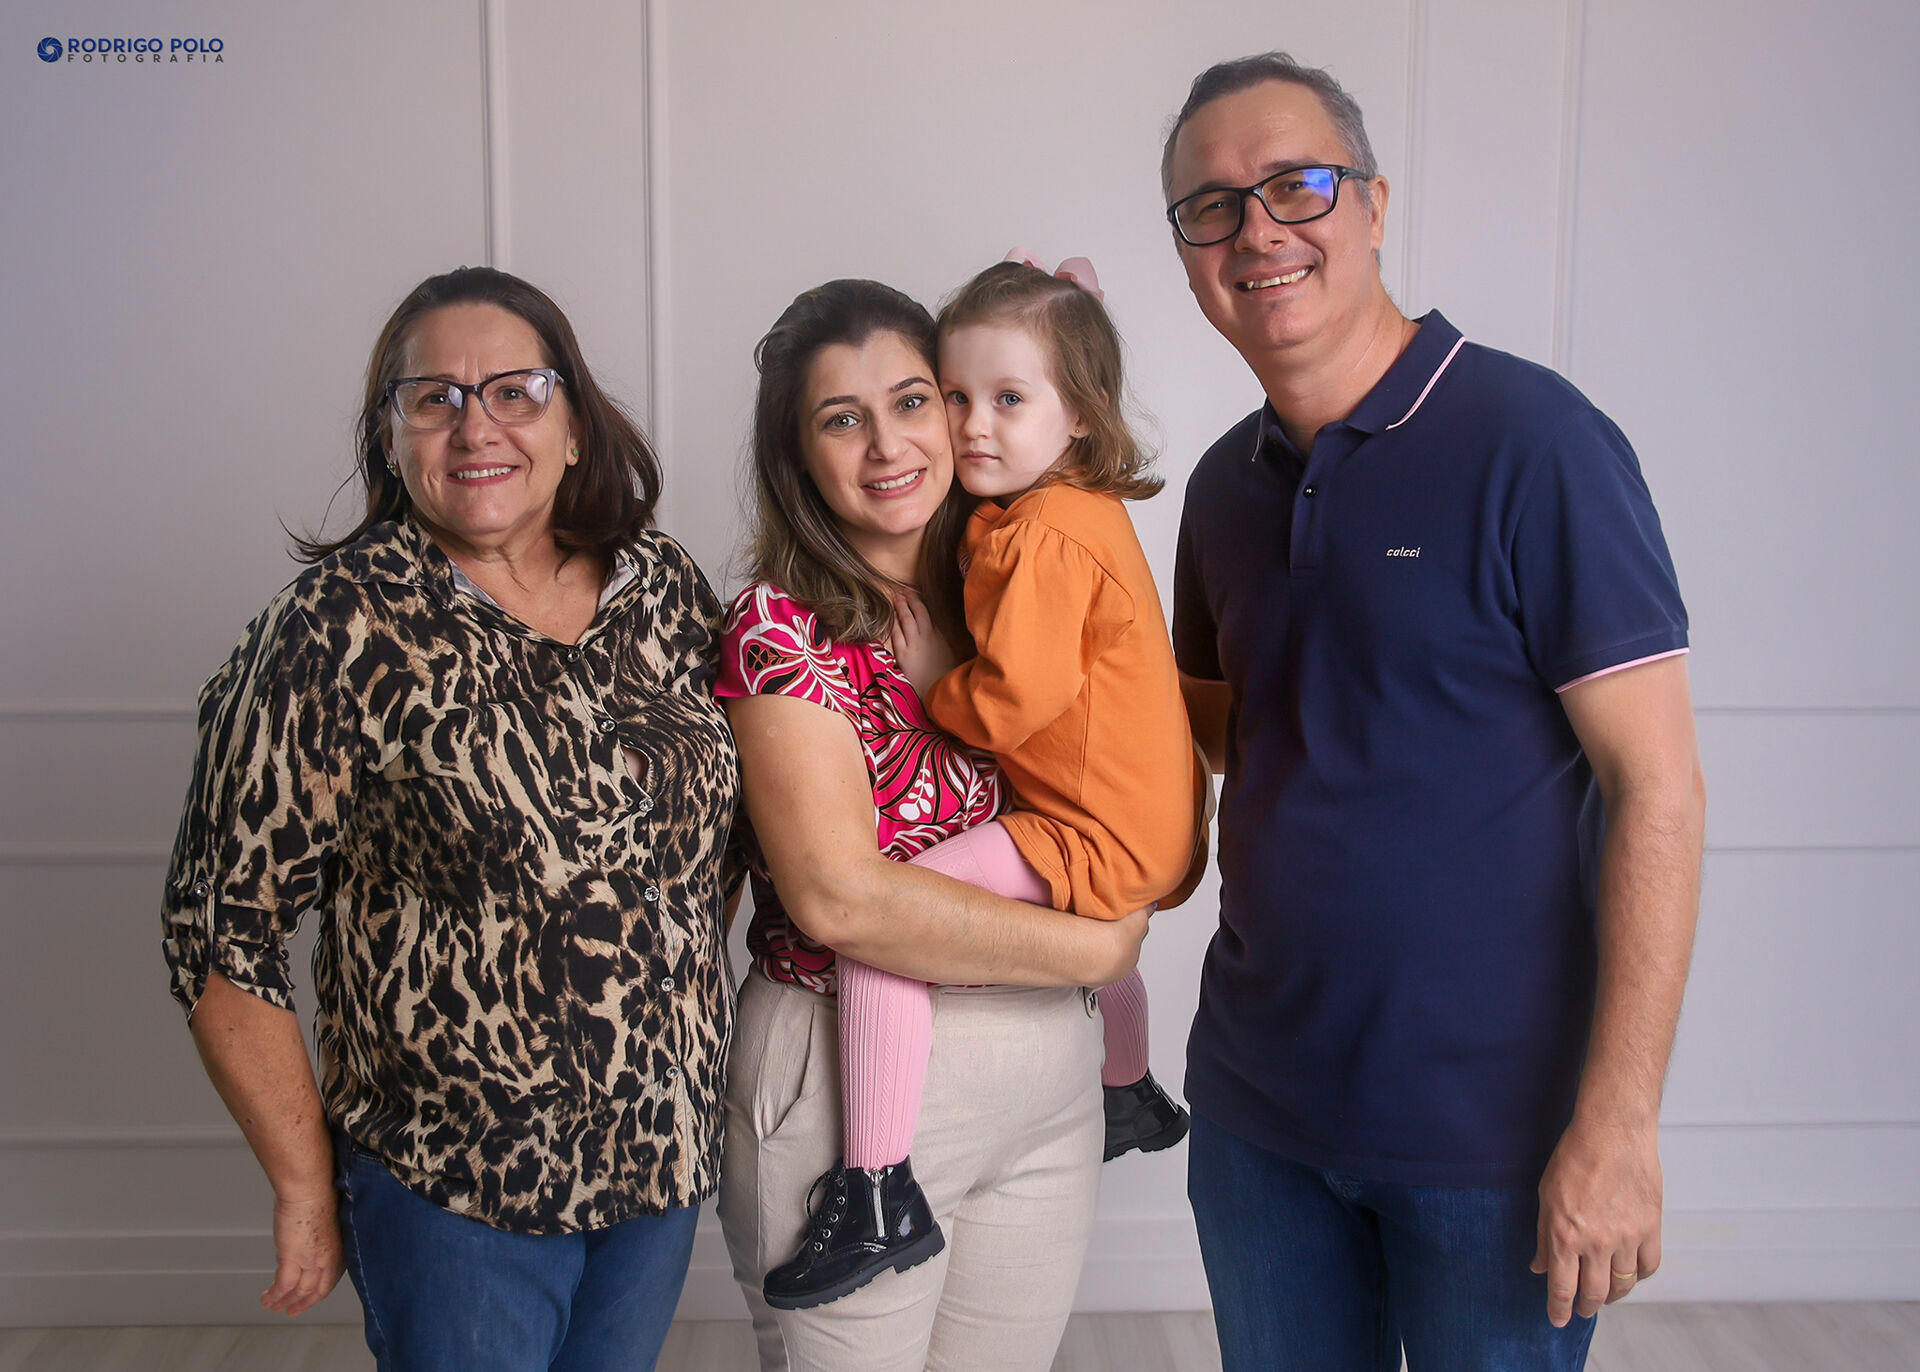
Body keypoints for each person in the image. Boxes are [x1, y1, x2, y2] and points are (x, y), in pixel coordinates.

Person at [1162, 53, 1708, 1370]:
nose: (1257, 231)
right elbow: (1225, 741)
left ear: (1373, 202)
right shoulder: (1223, 488)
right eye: (1212, 206)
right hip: (1258, 1121)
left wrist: (1621, 1125)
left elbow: (1658, 790)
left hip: (1493, 1141)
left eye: (1296, 184)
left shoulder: (1537, 442)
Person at [159, 266, 741, 1372]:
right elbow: (218, 926)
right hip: (455, 1186)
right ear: (391, 440)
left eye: (515, 391)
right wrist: (304, 1185)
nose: (477, 426)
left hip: (659, 1162)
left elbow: (714, 833)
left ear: (575, 424)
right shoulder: (334, 629)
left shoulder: (661, 586)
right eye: (434, 398)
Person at [716, 278, 1149, 1371]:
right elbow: (841, 899)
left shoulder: (1011, 575)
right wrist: (1098, 946)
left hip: (1045, 1074)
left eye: (913, 402)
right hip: (849, 1078)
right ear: (797, 455)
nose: (887, 446)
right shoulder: (780, 625)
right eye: (841, 419)